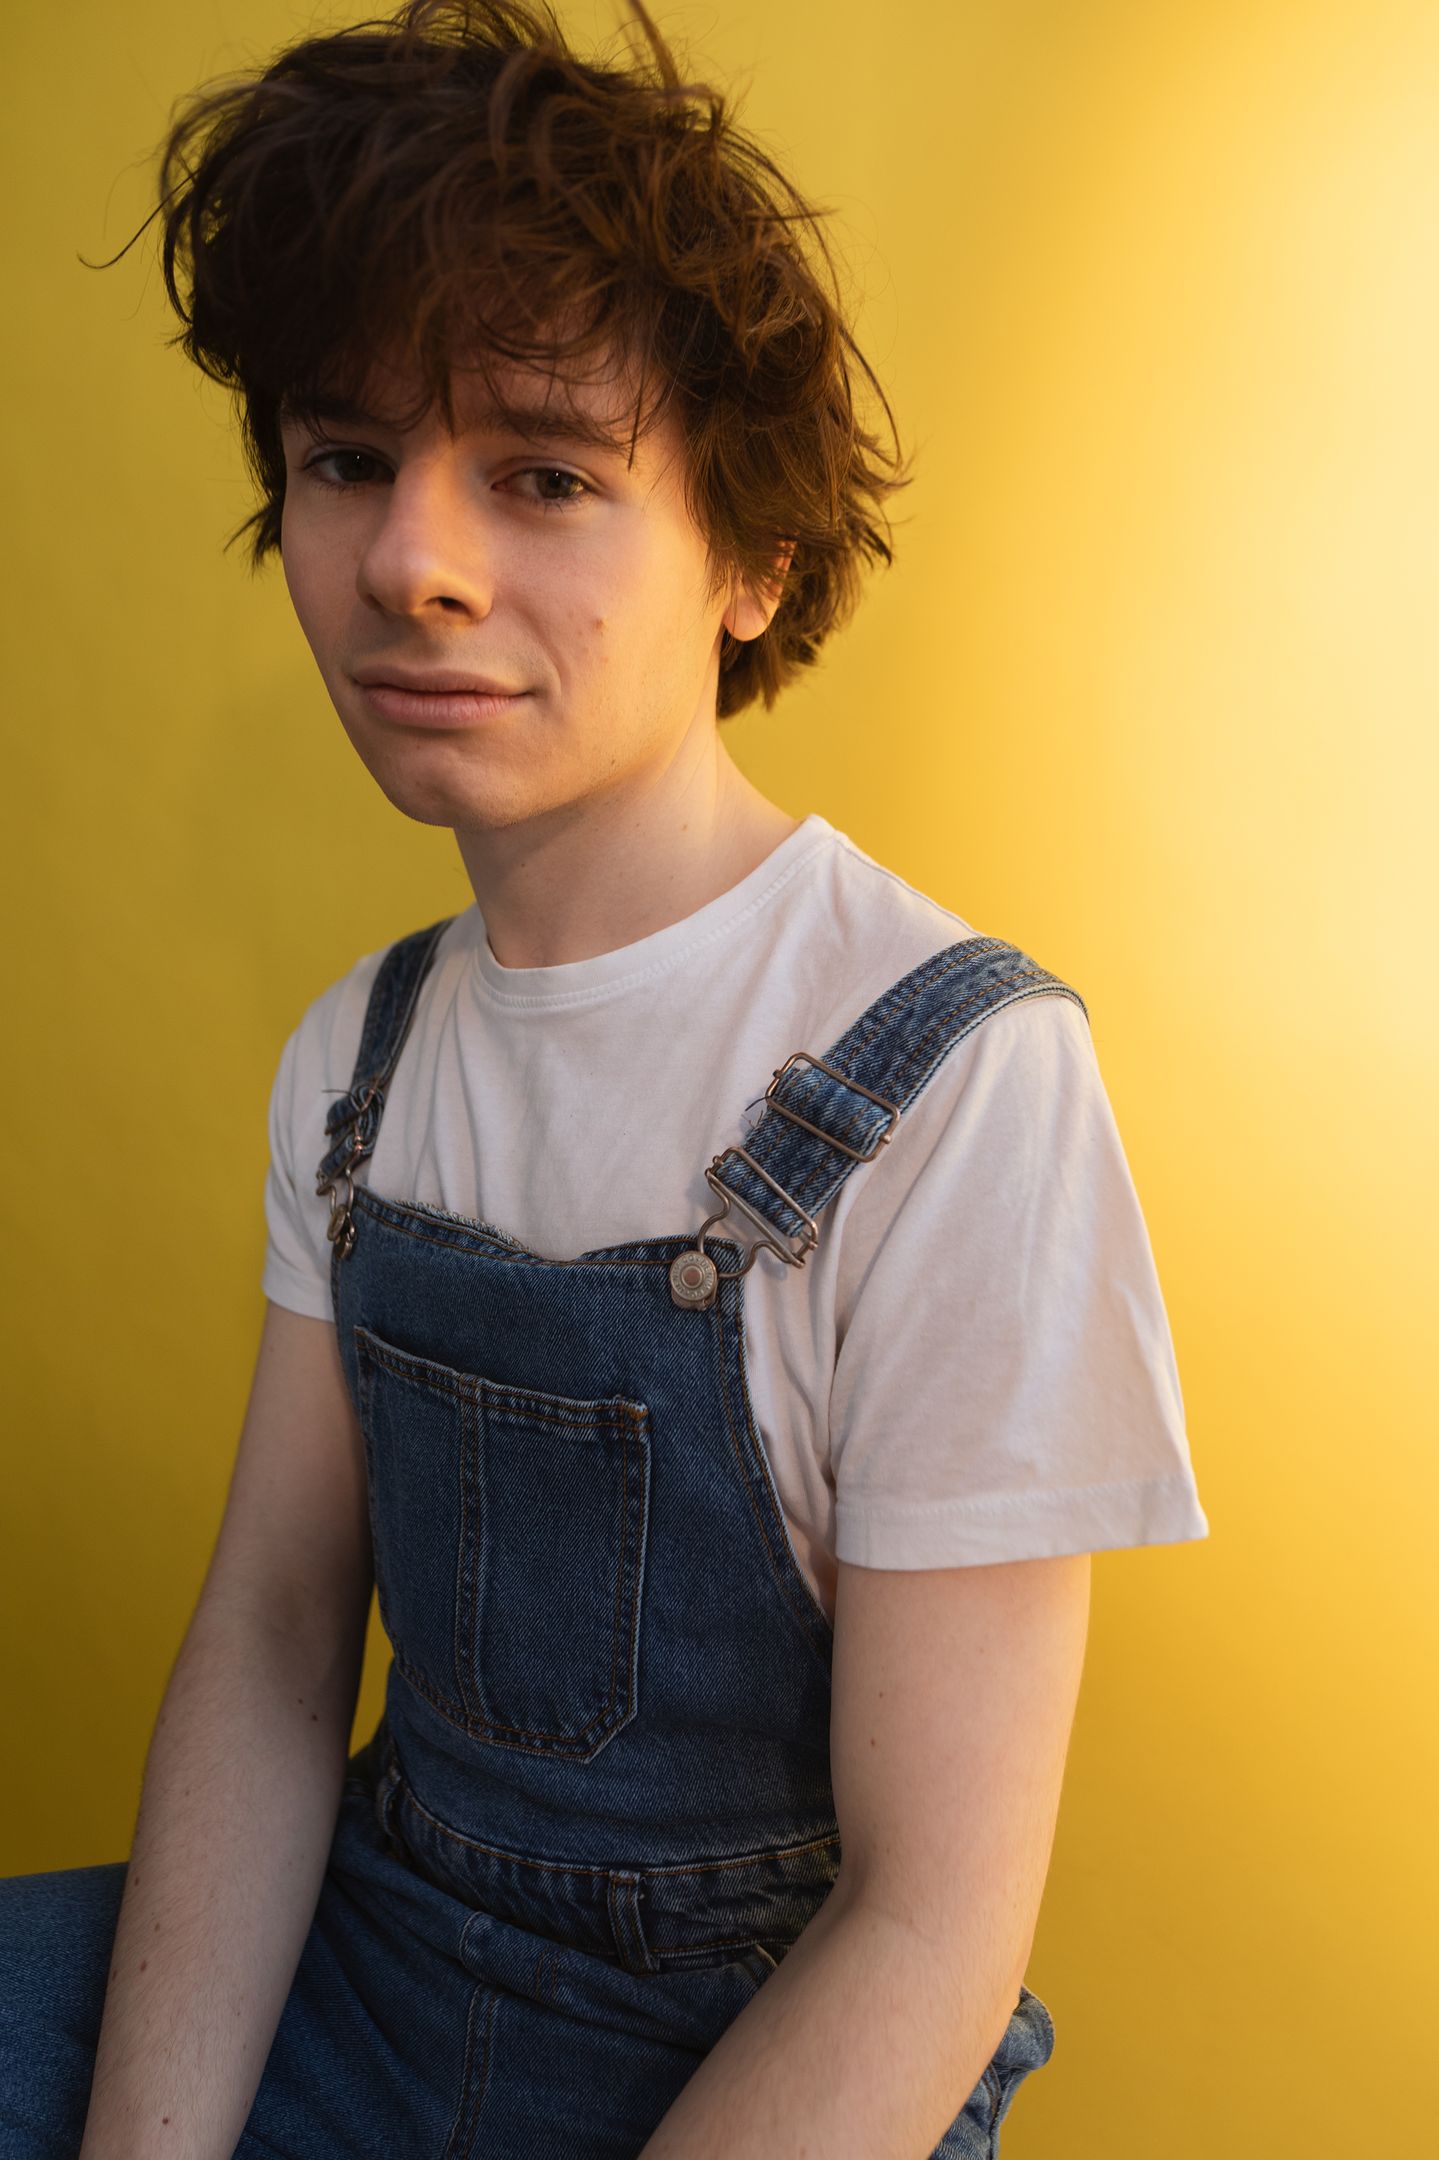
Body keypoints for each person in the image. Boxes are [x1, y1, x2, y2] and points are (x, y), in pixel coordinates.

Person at [0, 2, 1209, 2155]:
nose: (413, 562)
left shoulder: (957, 1083)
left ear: (752, 562)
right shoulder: (360, 1061)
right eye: (346, 459)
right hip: (376, 1961)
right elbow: (273, 1646)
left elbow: (932, 1924)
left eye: (545, 475)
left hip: (764, 2059)